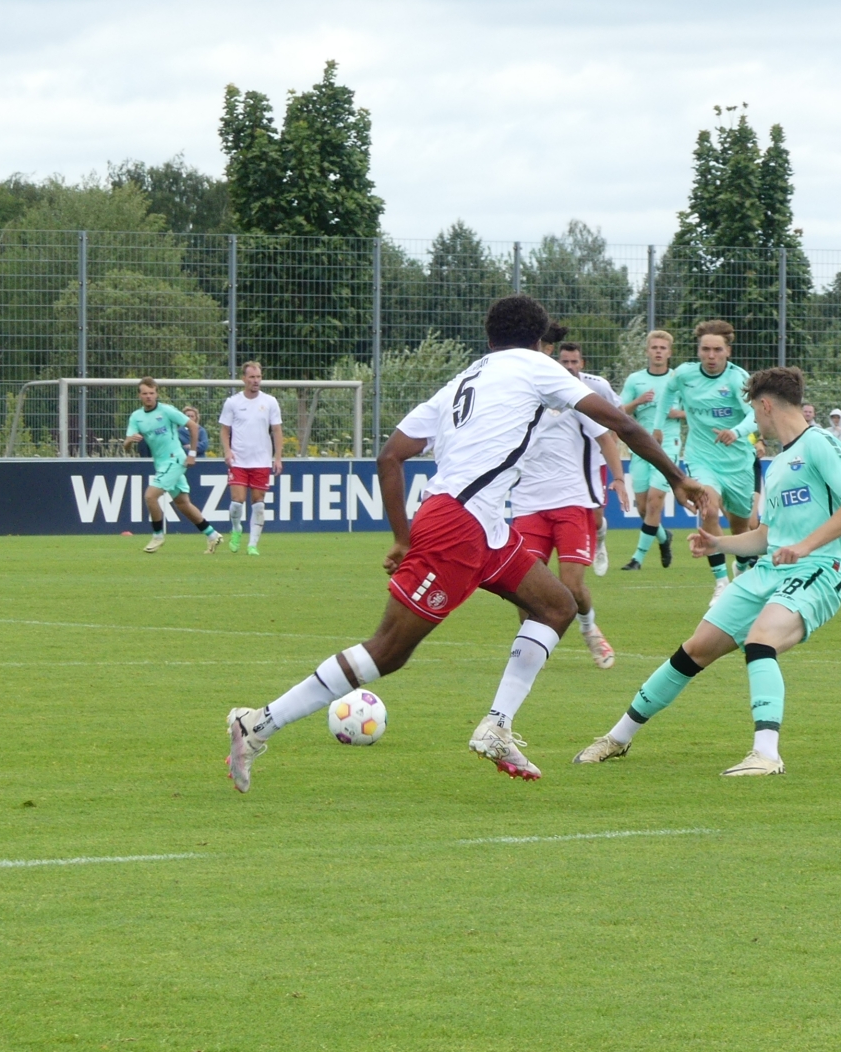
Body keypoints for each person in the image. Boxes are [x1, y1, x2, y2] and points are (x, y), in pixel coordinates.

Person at [225, 295, 705, 790]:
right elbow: (621, 423)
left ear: (490, 337)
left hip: (485, 525)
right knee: (388, 650)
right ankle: (257, 724)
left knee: (556, 606)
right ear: (538, 342)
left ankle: (497, 725)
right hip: (457, 526)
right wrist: (677, 478)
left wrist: (401, 537)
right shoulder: (536, 366)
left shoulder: (462, 381)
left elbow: (390, 457)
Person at [573, 365, 841, 777]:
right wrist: (719, 544)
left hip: (820, 568)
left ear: (765, 406)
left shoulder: (820, 443)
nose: (754, 422)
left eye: (753, 412)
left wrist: (804, 547)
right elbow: (767, 536)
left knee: (761, 640)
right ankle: (617, 738)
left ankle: (766, 755)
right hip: (771, 570)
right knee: (696, 648)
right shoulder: (777, 464)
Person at [508, 335, 625, 669]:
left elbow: (606, 437)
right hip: (528, 505)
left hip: (571, 501)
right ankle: (531, 649)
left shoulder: (573, 397)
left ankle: (589, 629)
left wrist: (618, 477)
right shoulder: (517, 399)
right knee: (524, 589)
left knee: (572, 586)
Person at [655, 319, 757, 598]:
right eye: (705, 349)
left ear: (728, 352)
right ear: (698, 350)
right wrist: (656, 426)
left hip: (738, 463)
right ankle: (721, 583)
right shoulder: (684, 374)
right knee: (709, 510)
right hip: (701, 458)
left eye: (717, 350)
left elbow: (754, 415)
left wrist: (735, 432)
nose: (711, 356)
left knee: (741, 528)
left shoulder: (737, 379)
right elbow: (666, 394)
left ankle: (741, 567)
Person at [552, 340, 626, 577]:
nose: (570, 366)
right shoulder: (549, 386)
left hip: (594, 460)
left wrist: (612, 440)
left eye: (574, 362)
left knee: (595, 518)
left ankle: (600, 542)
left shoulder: (597, 385)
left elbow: (620, 414)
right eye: (565, 362)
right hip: (562, 463)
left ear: (582, 363)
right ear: (558, 363)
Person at [125, 379, 223, 554]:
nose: (148, 396)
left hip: (175, 459)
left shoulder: (166, 411)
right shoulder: (136, 417)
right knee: (183, 503)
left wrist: (192, 454)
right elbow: (126, 446)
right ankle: (212, 534)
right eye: (145, 393)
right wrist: (130, 441)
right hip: (161, 463)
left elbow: (193, 427)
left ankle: (157, 535)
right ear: (139, 395)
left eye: (151, 393)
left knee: (150, 496)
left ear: (156, 394)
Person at [618, 329, 680, 571]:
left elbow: (693, 410)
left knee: (655, 502)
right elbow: (619, 411)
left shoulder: (677, 379)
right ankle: (664, 537)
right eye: (654, 347)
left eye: (663, 348)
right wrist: (638, 401)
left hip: (668, 446)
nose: (658, 352)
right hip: (640, 447)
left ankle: (637, 559)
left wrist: (676, 413)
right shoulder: (635, 380)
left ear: (669, 352)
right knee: (643, 508)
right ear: (647, 351)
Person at [218, 360, 283, 556]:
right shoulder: (233, 402)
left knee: (259, 503)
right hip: (239, 459)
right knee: (237, 501)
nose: (256, 381)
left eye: (258, 377)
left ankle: (252, 544)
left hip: (261, 460)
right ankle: (236, 529)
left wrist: (278, 457)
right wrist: (227, 451)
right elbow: (224, 430)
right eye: (252, 377)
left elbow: (277, 430)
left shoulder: (270, 402)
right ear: (243, 379)